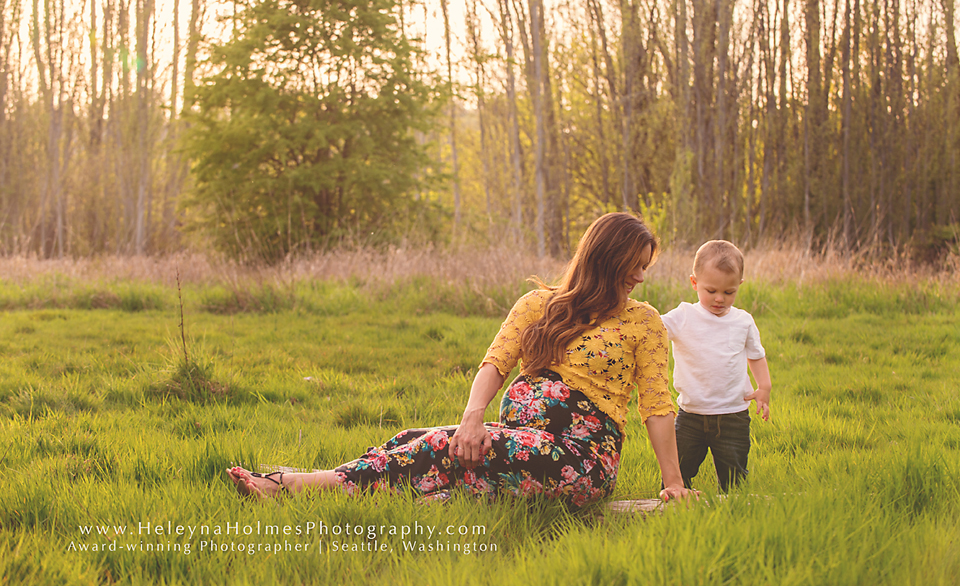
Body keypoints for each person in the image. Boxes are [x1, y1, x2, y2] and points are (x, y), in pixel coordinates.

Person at [228, 213, 695, 506]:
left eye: (645, 267)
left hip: (580, 458)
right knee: (413, 438)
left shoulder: (644, 321)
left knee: (438, 448)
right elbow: (494, 364)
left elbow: (656, 405)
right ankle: (413, 496)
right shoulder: (538, 304)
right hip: (516, 438)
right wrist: (473, 417)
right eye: (632, 264)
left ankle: (293, 486)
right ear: (603, 259)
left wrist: (673, 482)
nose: (639, 276)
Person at [660, 240, 772, 493]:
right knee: (678, 469)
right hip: (691, 415)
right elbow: (652, 329)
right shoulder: (683, 316)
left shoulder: (743, 321)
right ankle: (673, 504)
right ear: (694, 282)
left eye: (729, 292)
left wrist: (764, 386)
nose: (720, 299)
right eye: (711, 291)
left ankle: (733, 508)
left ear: (739, 286)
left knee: (734, 475)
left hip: (733, 415)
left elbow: (756, 355)